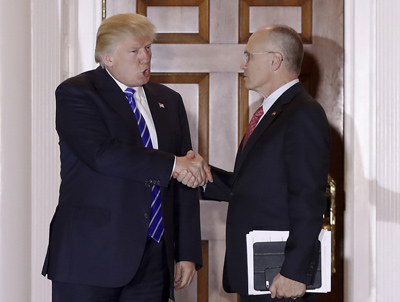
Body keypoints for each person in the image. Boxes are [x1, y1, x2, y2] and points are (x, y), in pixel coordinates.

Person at [42, 13, 212, 302]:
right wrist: (174, 164)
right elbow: (102, 154)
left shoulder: (169, 101)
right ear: (107, 57)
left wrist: (186, 252)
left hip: (153, 261)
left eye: (148, 48)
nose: (145, 58)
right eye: (134, 50)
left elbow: (184, 180)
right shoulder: (77, 93)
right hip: (89, 259)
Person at [176, 25, 331, 301]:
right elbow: (252, 186)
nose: (242, 64)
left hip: (281, 276)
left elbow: (308, 197)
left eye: (249, 56)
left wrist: (295, 272)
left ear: (275, 60)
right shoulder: (270, 111)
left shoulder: (303, 113)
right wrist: (200, 174)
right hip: (259, 272)